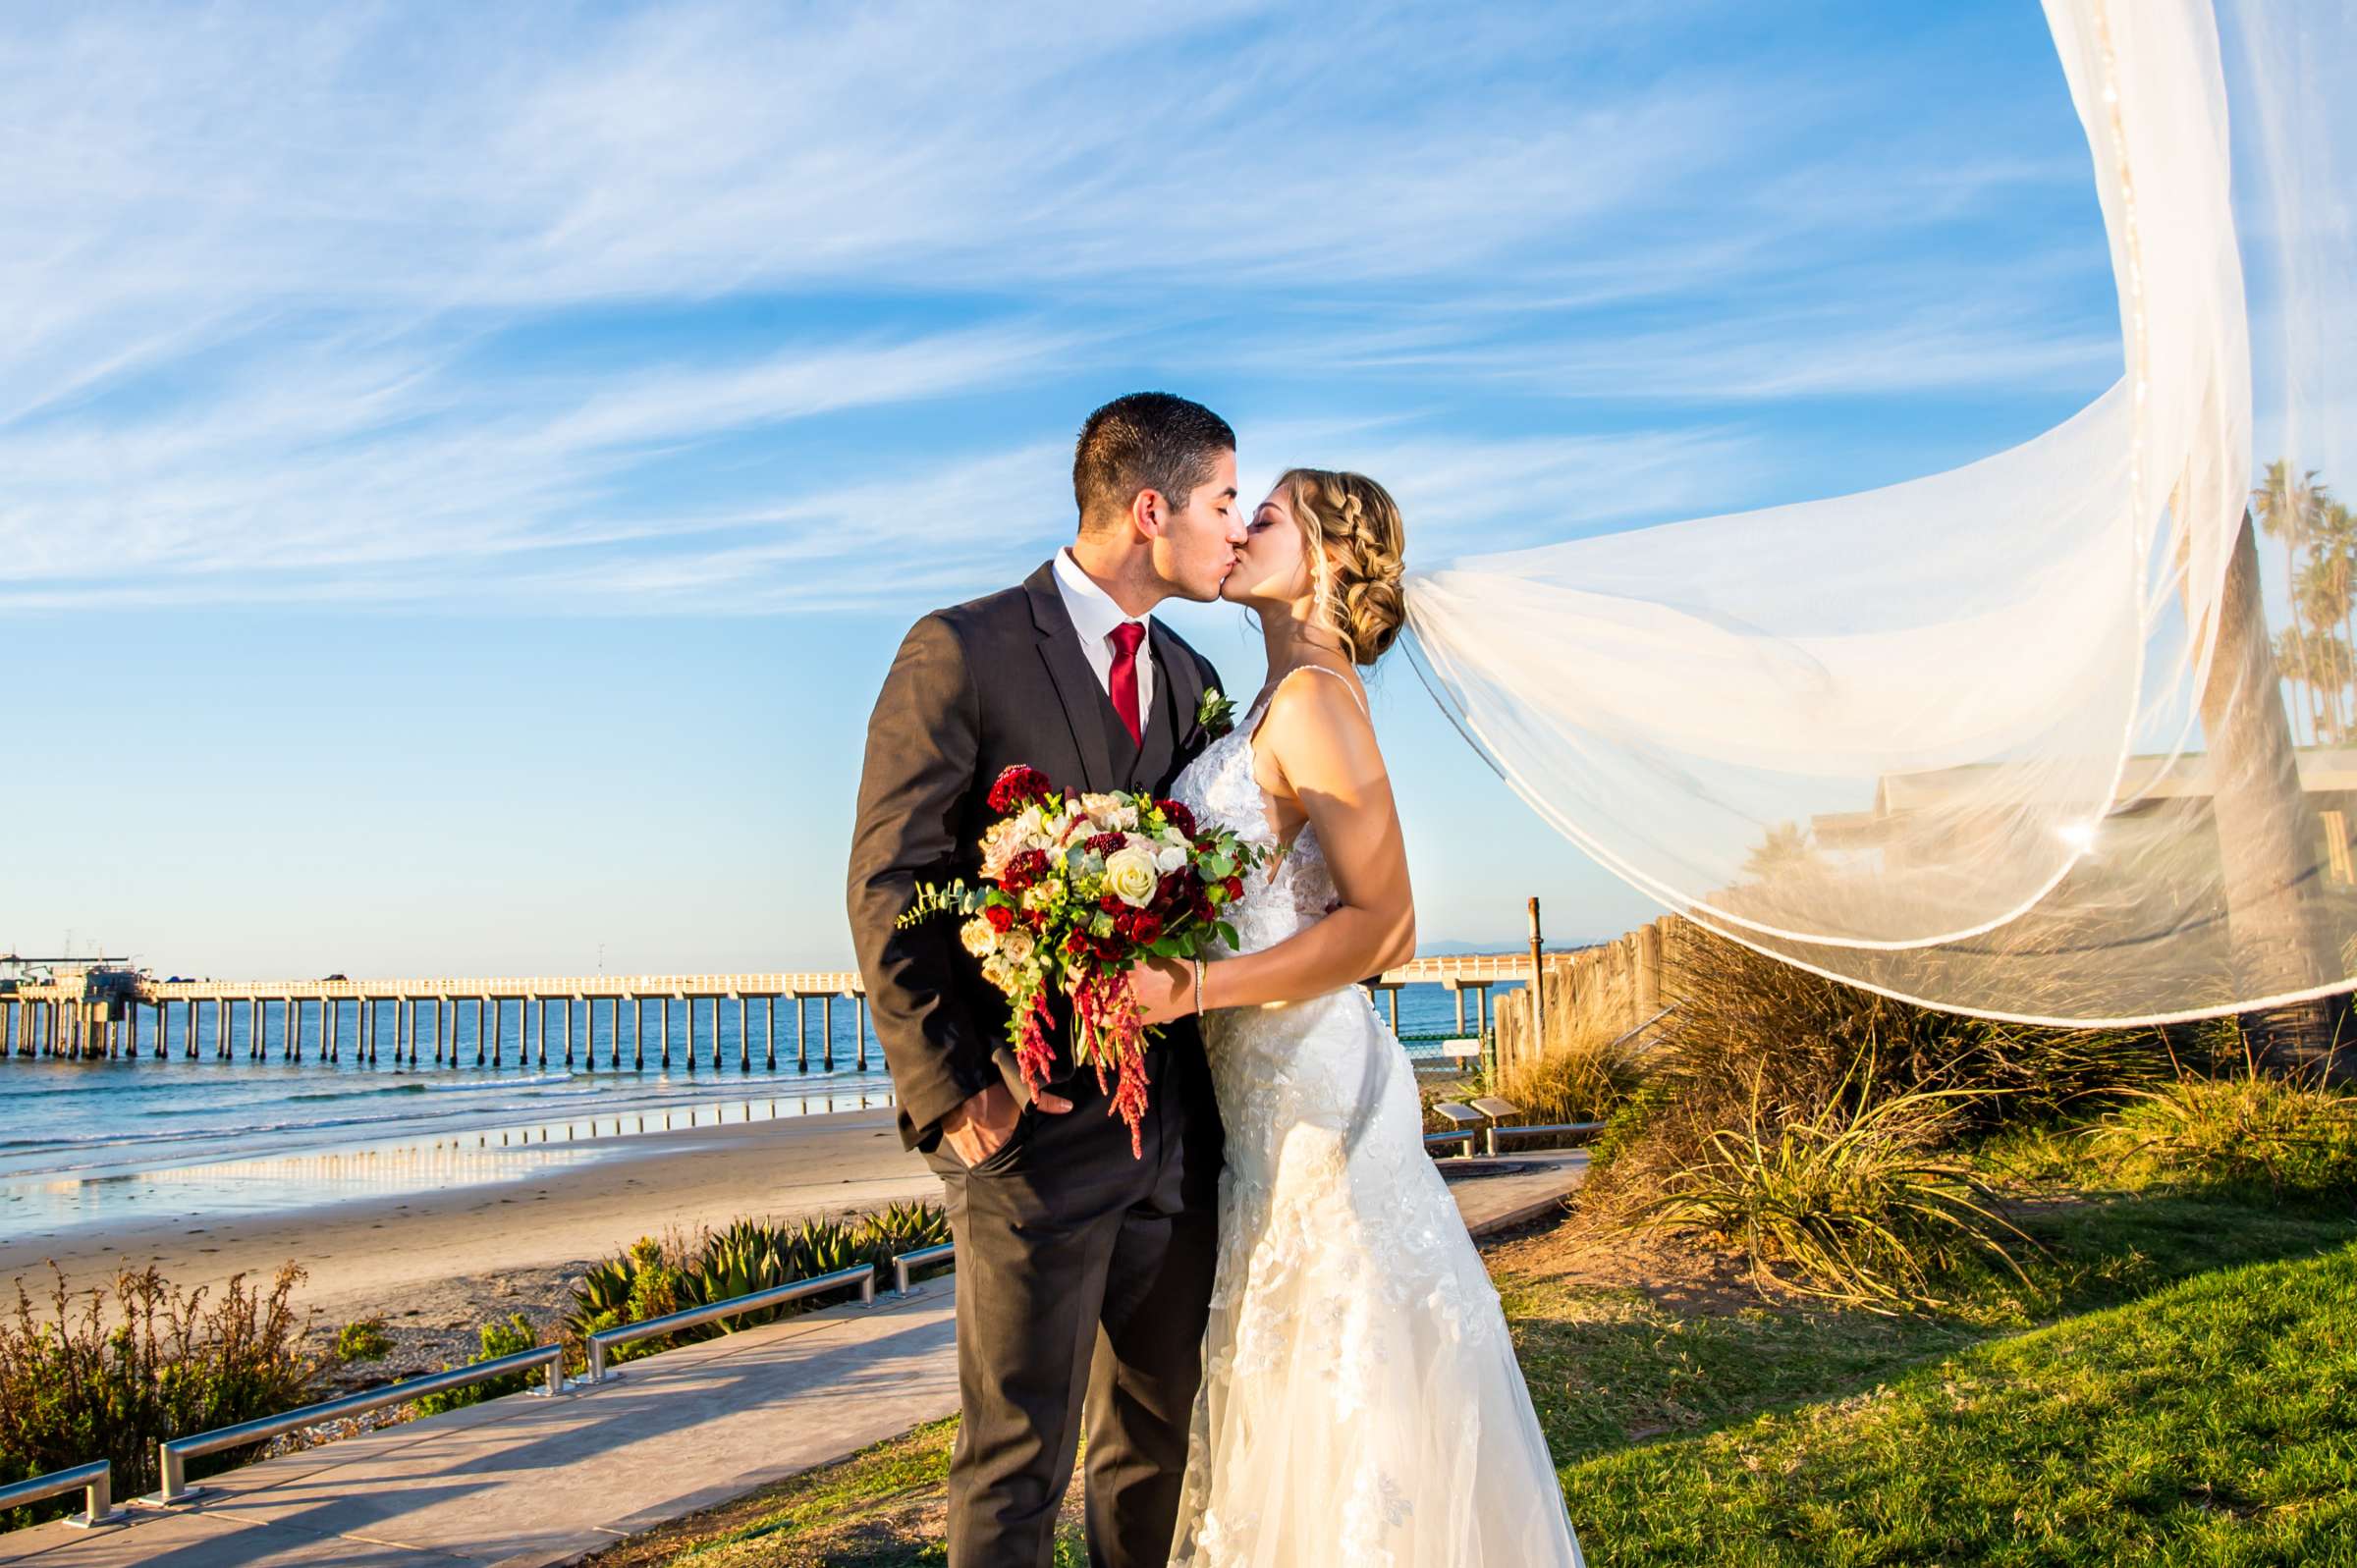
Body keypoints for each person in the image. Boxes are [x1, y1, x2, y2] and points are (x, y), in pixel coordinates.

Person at [1132, 468, 1587, 1566]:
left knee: (1348, 1381)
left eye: (1268, 514)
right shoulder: (1269, 703)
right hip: (1260, 1107)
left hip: (1319, 1102)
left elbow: (1387, 929)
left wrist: (1190, 989)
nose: (1239, 528)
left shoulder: (1319, 701)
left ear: (1329, 559)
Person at [847, 391, 1247, 1568]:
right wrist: (958, 1088)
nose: (1235, 528)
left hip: (1178, 1135)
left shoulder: (1190, 676)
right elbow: (891, 879)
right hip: (1031, 1127)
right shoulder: (961, 649)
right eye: (1224, 502)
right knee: (1017, 1461)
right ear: (1149, 508)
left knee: (1153, 1438)